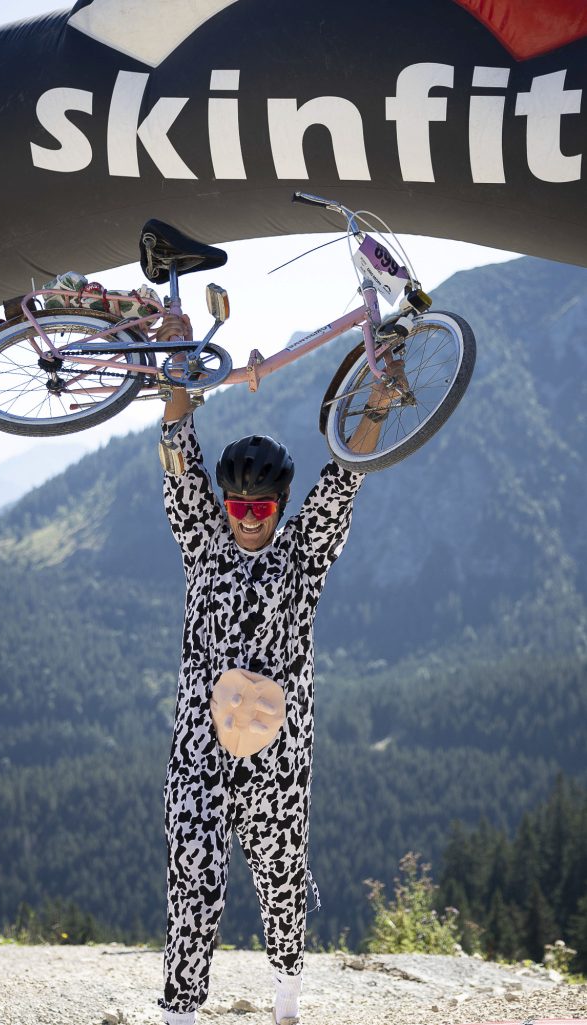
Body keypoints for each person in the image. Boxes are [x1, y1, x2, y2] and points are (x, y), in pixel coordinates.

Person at [157, 314, 404, 1025]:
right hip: (200, 749)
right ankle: (179, 1013)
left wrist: (377, 402)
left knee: (281, 881)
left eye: (260, 505)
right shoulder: (202, 543)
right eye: (236, 503)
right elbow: (178, 460)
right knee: (193, 877)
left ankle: (287, 990)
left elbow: (343, 478)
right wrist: (176, 365)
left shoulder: (302, 555)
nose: (247, 516)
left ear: (279, 504)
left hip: (280, 757)